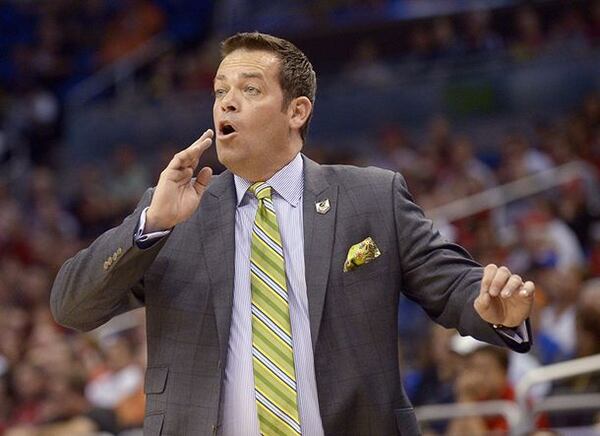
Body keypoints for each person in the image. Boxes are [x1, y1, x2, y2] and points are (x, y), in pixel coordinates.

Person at [50, 32, 535, 436]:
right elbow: (72, 307)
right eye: (220, 91)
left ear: (297, 111)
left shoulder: (371, 195)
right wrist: (149, 227)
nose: (228, 101)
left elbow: (452, 286)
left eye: (251, 89)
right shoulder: (172, 213)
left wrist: (490, 307)